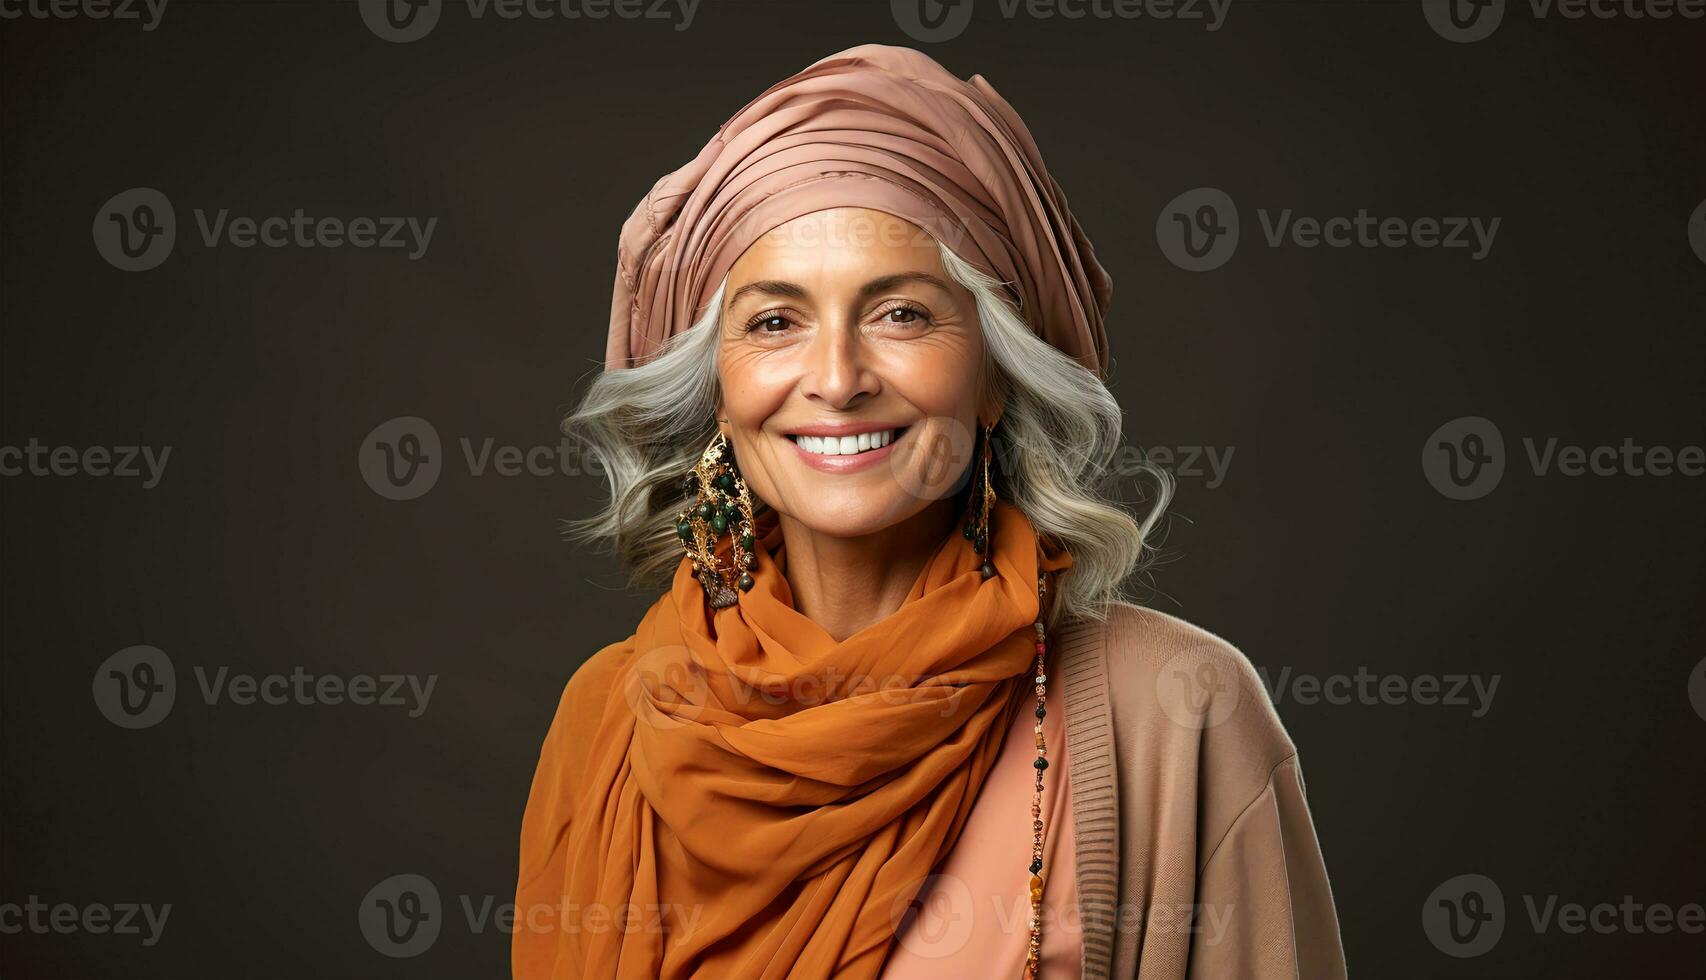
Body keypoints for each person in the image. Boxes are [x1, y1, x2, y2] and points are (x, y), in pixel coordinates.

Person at [514, 44, 1345, 980]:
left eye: (901, 314)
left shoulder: (1177, 710)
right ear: (716, 388)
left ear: (993, 376)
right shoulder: (609, 719)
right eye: (774, 322)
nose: (835, 381)